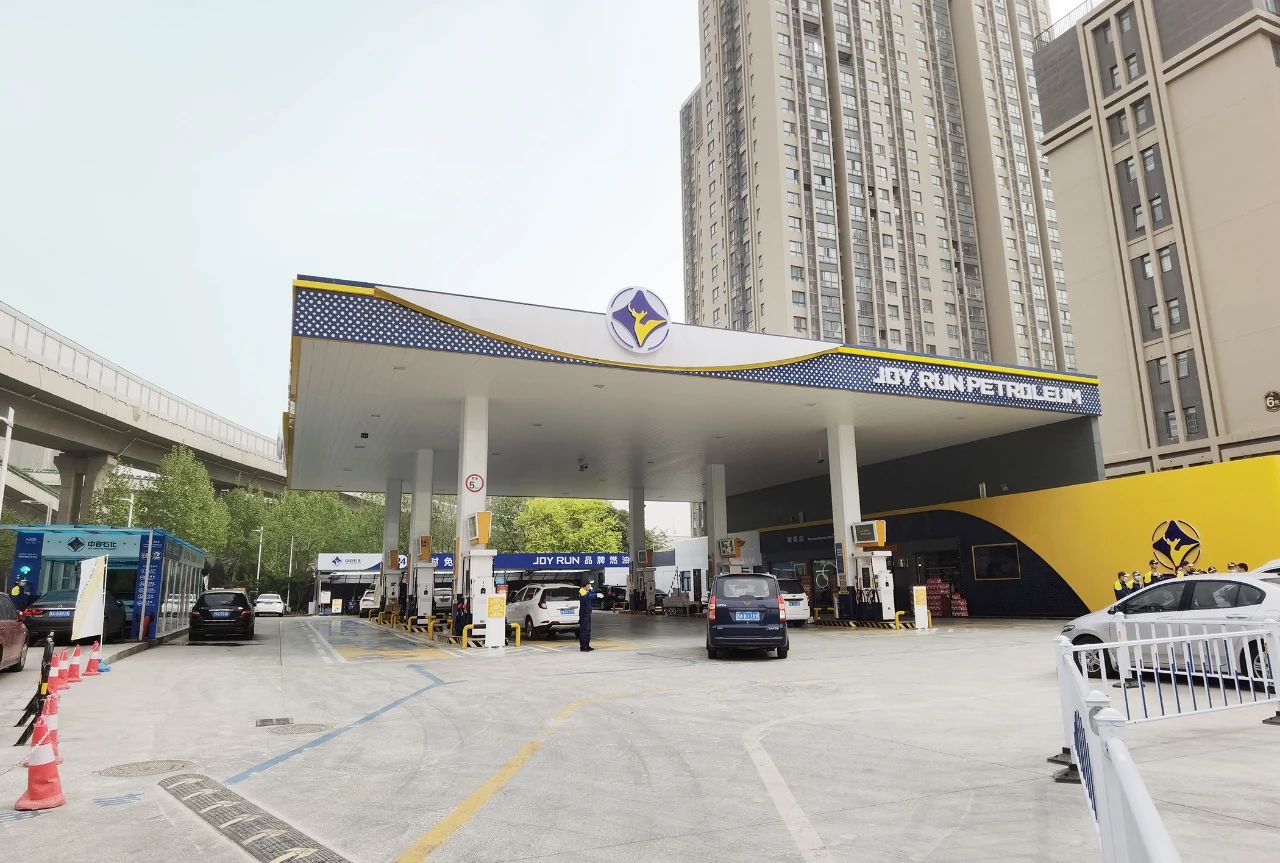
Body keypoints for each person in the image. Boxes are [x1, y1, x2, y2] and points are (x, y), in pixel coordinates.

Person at [578, 579, 604, 652]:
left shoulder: (586, 591)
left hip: (587, 613)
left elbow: (589, 595)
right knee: (584, 630)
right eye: (589, 584)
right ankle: (583, 646)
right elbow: (587, 597)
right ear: (585, 585)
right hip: (584, 614)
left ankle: (587, 645)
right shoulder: (582, 591)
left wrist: (591, 591)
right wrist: (596, 595)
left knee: (588, 630)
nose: (590, 585)